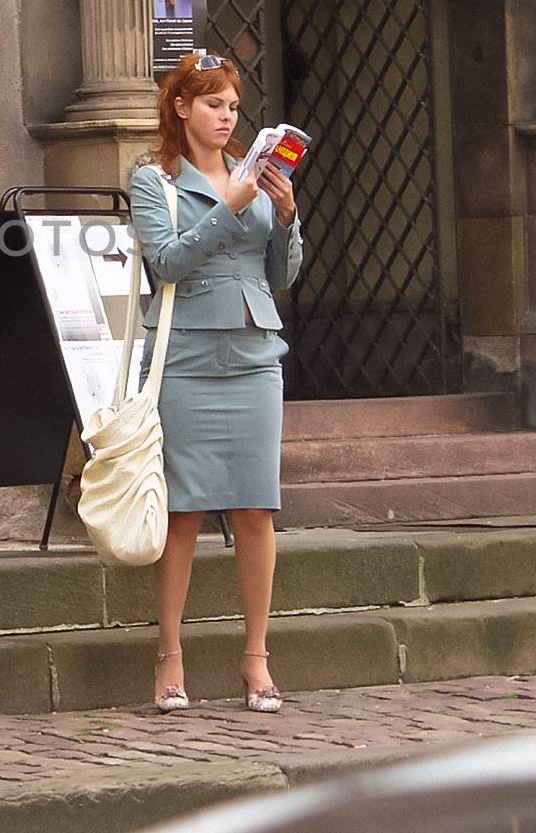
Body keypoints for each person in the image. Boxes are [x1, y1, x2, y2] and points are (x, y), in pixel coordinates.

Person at [128, 52, 303, 714]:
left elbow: (280, 274)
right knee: (184, 511)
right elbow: (168, 261)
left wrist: (285, 217)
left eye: (232, 106)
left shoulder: (252, 175)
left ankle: (256, 658)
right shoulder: (155, 179)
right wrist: (230, 205)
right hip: (187, 355)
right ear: (181, 108)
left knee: (256, 508)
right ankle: (169, 657)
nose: (225, 117)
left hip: (255, 350)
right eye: (212, 105)